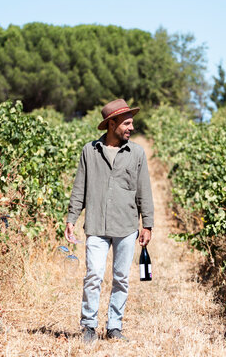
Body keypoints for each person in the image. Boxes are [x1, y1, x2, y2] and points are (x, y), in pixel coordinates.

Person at [65, 98, 154, 343]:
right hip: (96, 224)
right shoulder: (89, 151)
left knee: (121, 278)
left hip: (126, 226)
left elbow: (143, 190)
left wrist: (147, 224)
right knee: (93, 274)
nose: (131, 128)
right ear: (111, 123)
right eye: (126, 123)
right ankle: (89, 327)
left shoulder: (136, 153)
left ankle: (114, 326)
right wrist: (72, 217)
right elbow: (79, 187)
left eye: (132, 123)